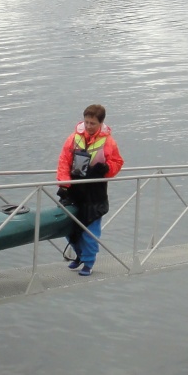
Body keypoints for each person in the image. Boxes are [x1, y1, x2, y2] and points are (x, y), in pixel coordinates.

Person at [55, 104, 124, 276]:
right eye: (86, 122)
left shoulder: (109, 142)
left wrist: (107, 168)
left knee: (90, 230)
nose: (88, 126)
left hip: (95, 192)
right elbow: (64, 161)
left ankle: (89, 262)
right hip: (74, 189)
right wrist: (64, 185)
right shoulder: (73, 138)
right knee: (69, 227)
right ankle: (79, 255)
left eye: (92, 123)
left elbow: (117, 162)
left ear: (101, 123)